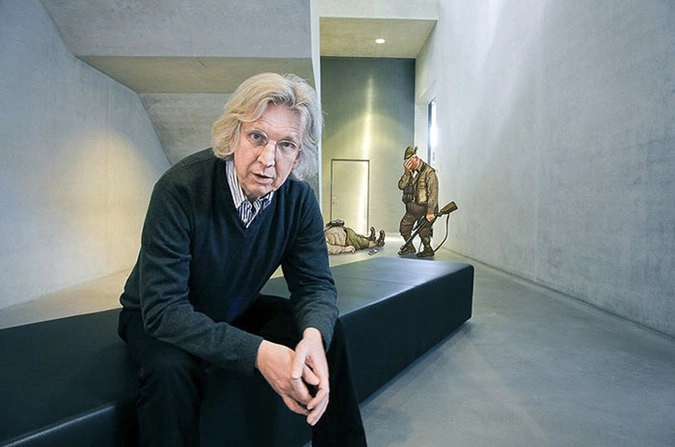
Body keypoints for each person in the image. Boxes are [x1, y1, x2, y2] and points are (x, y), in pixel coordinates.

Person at [117, 73, 367, 446]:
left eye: (286, 145)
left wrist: (314, 336)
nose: (268, 160)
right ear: (234, 134)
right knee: (169, 370)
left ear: (299, 155)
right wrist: (259, 354)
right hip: (157, 313)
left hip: (234, 306)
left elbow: (314, 286)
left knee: (324, 333)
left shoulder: (299, 201)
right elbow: (164, 310)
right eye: (257, 137)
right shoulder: (180, 189)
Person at [397, 145, 439, 257]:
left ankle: (428, 249)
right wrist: (407, 173)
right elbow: (401, 186)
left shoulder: (429, 172)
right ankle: (410, 247)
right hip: (412, 210)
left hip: (425, 209)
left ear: (415, 159)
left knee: (423, 231)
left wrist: (430, 212)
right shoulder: (410, 172)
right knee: (404, 227)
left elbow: (433, 193)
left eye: (409, 162)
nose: (407, 165)